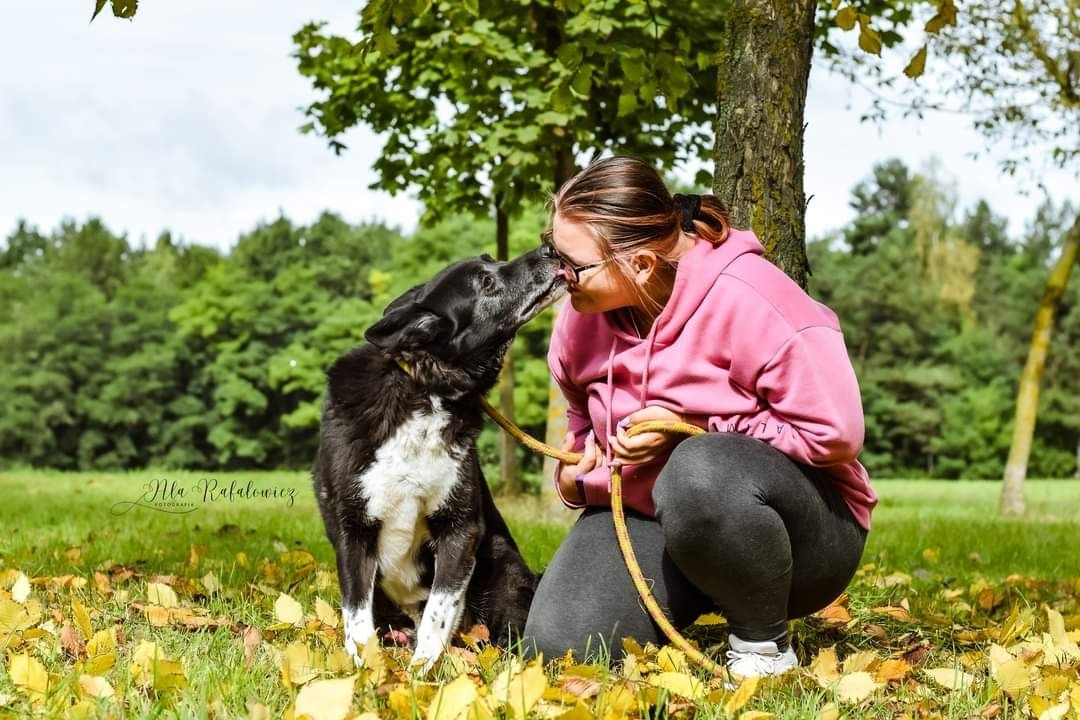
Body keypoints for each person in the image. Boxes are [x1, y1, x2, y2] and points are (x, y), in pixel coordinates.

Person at [521, 155, 877, 679]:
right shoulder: (580, 316)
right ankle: (687, 593)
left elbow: (836, 435)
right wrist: (576, 474)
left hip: (806, 534)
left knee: (698, 469)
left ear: (641, 263)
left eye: (574, 264)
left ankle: (763, 649)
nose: (560, 275)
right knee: (562, 650)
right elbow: (580, 421)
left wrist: (694, 430)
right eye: (555, 251)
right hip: (650, 518)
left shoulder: (753, 297)